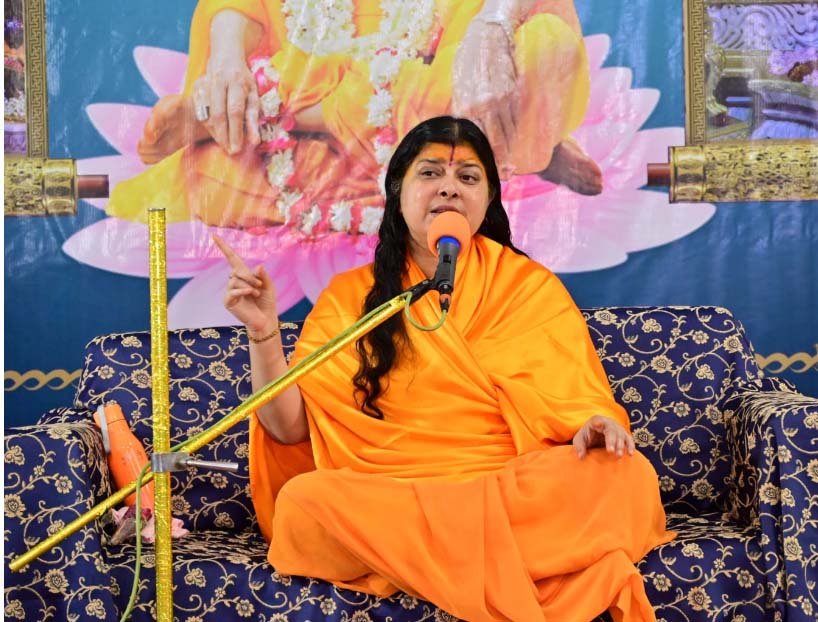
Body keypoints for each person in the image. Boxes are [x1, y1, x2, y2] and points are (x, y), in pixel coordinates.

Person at [215, 116, 674, 622]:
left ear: (489, 198)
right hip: (394, 491)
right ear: (398, 191)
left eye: (468, 177)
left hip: (506, 484)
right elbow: (287, 429)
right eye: (430, 173)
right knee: (305, 503)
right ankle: (499, 565)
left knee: (625, 478)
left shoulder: (528, 287)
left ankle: (432, 561)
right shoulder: (350, 297)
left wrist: (592, 423)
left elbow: (576, 399)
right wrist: (264, 333)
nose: (449, 188)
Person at [109, 0, 602, 233]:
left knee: (542, 47)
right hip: (330, 116)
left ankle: (275, 108)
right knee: (214, 179)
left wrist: (493, 24)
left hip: (442, 75)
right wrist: (225, 60)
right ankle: (523, 144)